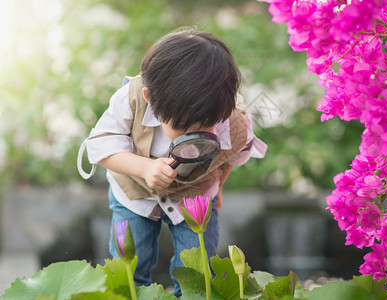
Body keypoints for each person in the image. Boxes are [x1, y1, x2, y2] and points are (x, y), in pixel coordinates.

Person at [77, 28, 266, 296]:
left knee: (197, 274)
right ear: (150, 100)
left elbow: (232, 155)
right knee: (129, 270)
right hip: (134, 194)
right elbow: (100, 146)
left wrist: (220, 187)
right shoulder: (130, 98)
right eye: (184, 127)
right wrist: (145, 168)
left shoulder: (230, 116)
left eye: (206, 125)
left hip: (196, 195)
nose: (195, 135)